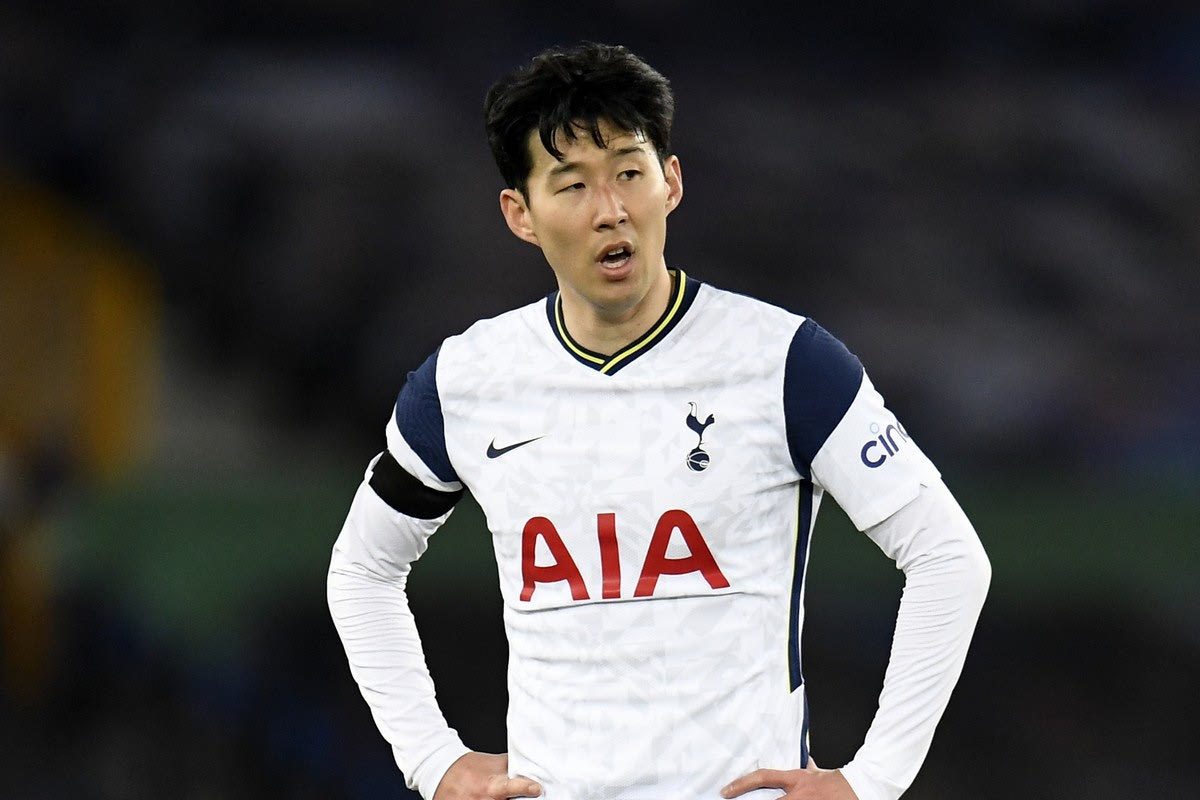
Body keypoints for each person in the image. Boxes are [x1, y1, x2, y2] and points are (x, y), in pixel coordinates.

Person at [327, 42, 990, 800]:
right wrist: (431, 758)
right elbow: (362, 569)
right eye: (572, 185)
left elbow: (948, 557)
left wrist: (873, 779)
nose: (610, 210)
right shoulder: (465, 382)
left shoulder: (785, 363)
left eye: (629, 173)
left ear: (671, 182)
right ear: (521, 215)